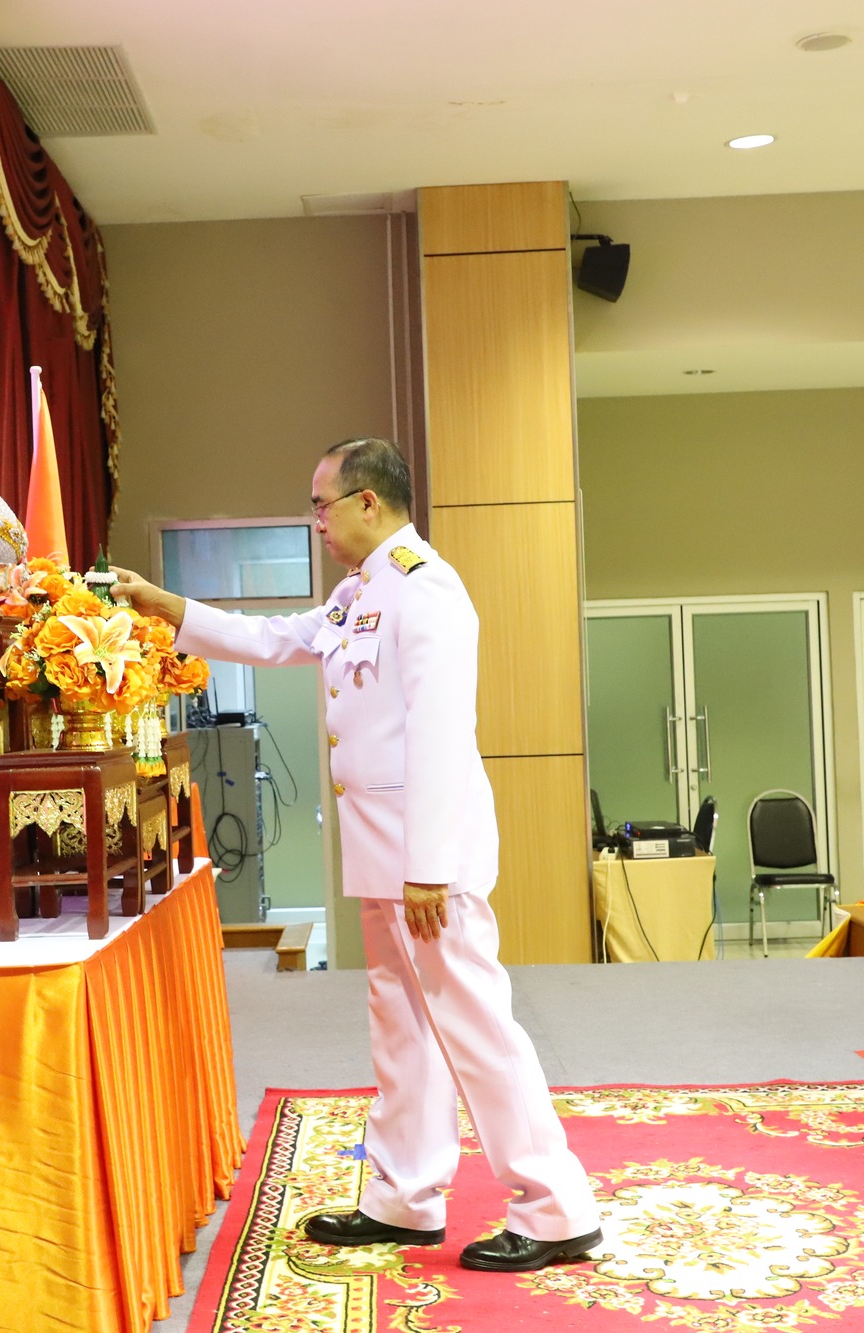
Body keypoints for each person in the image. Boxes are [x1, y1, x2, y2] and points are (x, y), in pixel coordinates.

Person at [109, 438, 602, 1274]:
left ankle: (556, 1207)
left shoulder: (427, 590)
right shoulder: (356, 597)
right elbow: (269, 638)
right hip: (383, 855)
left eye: (321, 505)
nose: (316, 523)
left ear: (369, 501)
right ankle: (405, 1198)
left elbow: (443, 734)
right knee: (401, 1029)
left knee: (476, 1028)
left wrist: (429, 866)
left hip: (425, 860)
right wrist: (162, 602)